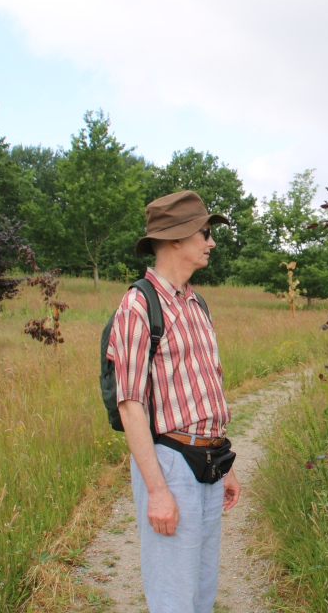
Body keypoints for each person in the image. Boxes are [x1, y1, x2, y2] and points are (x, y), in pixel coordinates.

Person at [106, 190, 240, 613]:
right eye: (205, 232)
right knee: (173, 599)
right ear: (178, 239)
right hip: (170, 465)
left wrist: (226, 466)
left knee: (201, 594)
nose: (211, 241)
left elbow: (205, 391)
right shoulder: (138, 306)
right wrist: (157, 489)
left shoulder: (197, 303)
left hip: (209, 463)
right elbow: (130, 406)